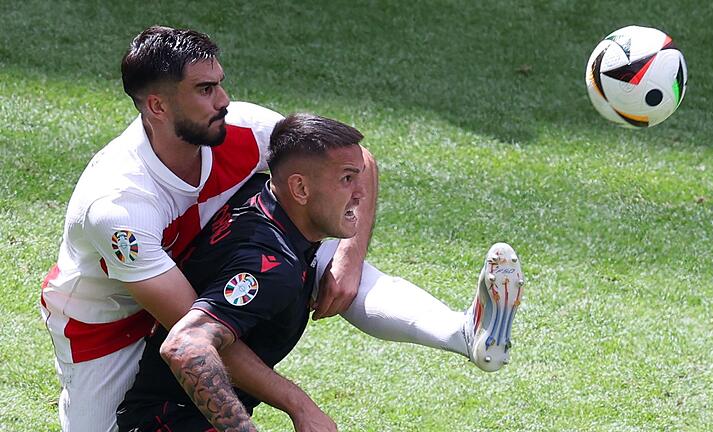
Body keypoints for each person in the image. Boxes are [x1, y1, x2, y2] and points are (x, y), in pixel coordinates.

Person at [39, 26, 525, 432]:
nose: (225, 100)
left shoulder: (241, 127)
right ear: (158, 107)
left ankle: (466, 334)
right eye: (205, 90)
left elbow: (352, 158)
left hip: (204, 263)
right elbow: (190, 334)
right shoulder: (119, 205)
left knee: (310, 248)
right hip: (107, 323)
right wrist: (299, 404)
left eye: (220, 83)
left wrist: (348, 258)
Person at [118, 113, 365, 432]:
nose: (360, 192)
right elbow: (185, 346)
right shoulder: (272, 268)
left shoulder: (258, 190)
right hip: (168, 420)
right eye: (347, 179)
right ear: (300, 188)